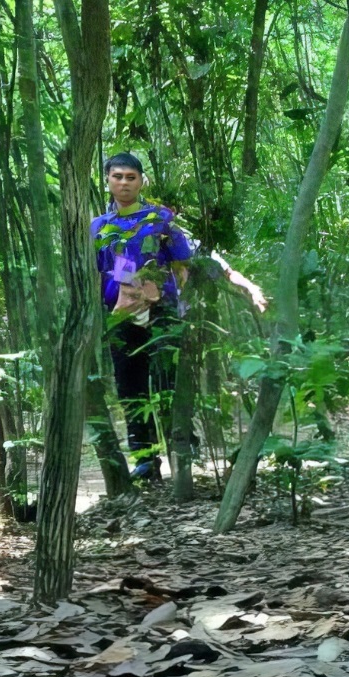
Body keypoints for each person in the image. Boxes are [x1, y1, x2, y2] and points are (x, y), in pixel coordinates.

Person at [93, 152, 194, 482]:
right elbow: (97, 272)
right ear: (107, 180)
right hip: (119, 316)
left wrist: (172, 303)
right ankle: (146, 461)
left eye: (130, 177)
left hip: (161, 312)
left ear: (141, 181)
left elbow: (181, 266)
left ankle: (182, 456)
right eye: (117, 176)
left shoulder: (160, 219)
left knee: (167, 384)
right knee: (130, 387)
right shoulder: (98, 226)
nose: (124, 183)